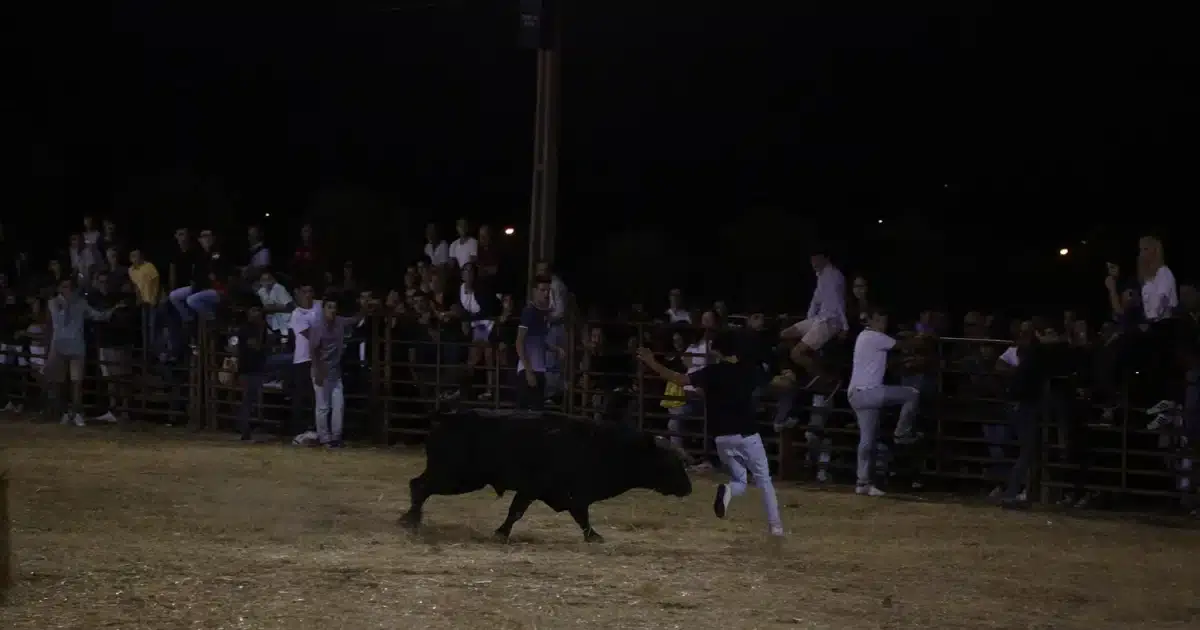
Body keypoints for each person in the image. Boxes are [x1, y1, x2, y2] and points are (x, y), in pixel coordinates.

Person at [636, 332, 784, 537]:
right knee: (764, 480)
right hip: (747, 434)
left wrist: (652, 362)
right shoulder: (748, 371)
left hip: (722, 439)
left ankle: (728, 490)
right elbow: (773, 384)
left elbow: (680, 379)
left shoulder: (711, 372)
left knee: (740, 479)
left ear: (719, 352)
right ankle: (776, 527)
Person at [845, 307, 928, 498]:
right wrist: (922, 335)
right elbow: (905, 345)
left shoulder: (864, 337)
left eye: (884, 320)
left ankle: (863, 483)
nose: (882, 324)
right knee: (912, 394)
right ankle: (902, 433)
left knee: (867, 441)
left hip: (857, 395)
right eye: (878, 320)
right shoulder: (874, 336)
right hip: (870, 393)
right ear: (870, 321)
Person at [309, 298, 364, 448]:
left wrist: (364, 308)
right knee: (323, 407)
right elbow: (313, 351)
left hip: (335, 371)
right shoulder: (317, 327)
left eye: (334, 307)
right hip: (321, 370)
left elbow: (354, 320)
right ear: (323, 309)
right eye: (329, 307)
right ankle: (324, 438)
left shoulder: (339, 322)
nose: (332, 311)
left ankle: (336, 436)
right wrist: (318, 371)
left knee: (338, 405)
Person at [514, 276, 565, 410]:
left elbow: (539, 341)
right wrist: (528, 371)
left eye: (548, 290)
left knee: (538, 413)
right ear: (534, 291)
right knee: (524, 414)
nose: (546, 294)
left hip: (540, 370)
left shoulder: (543, 314)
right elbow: (519, 342)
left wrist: (555, 349)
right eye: (542, 290)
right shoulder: (529, 312)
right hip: (529, 370)